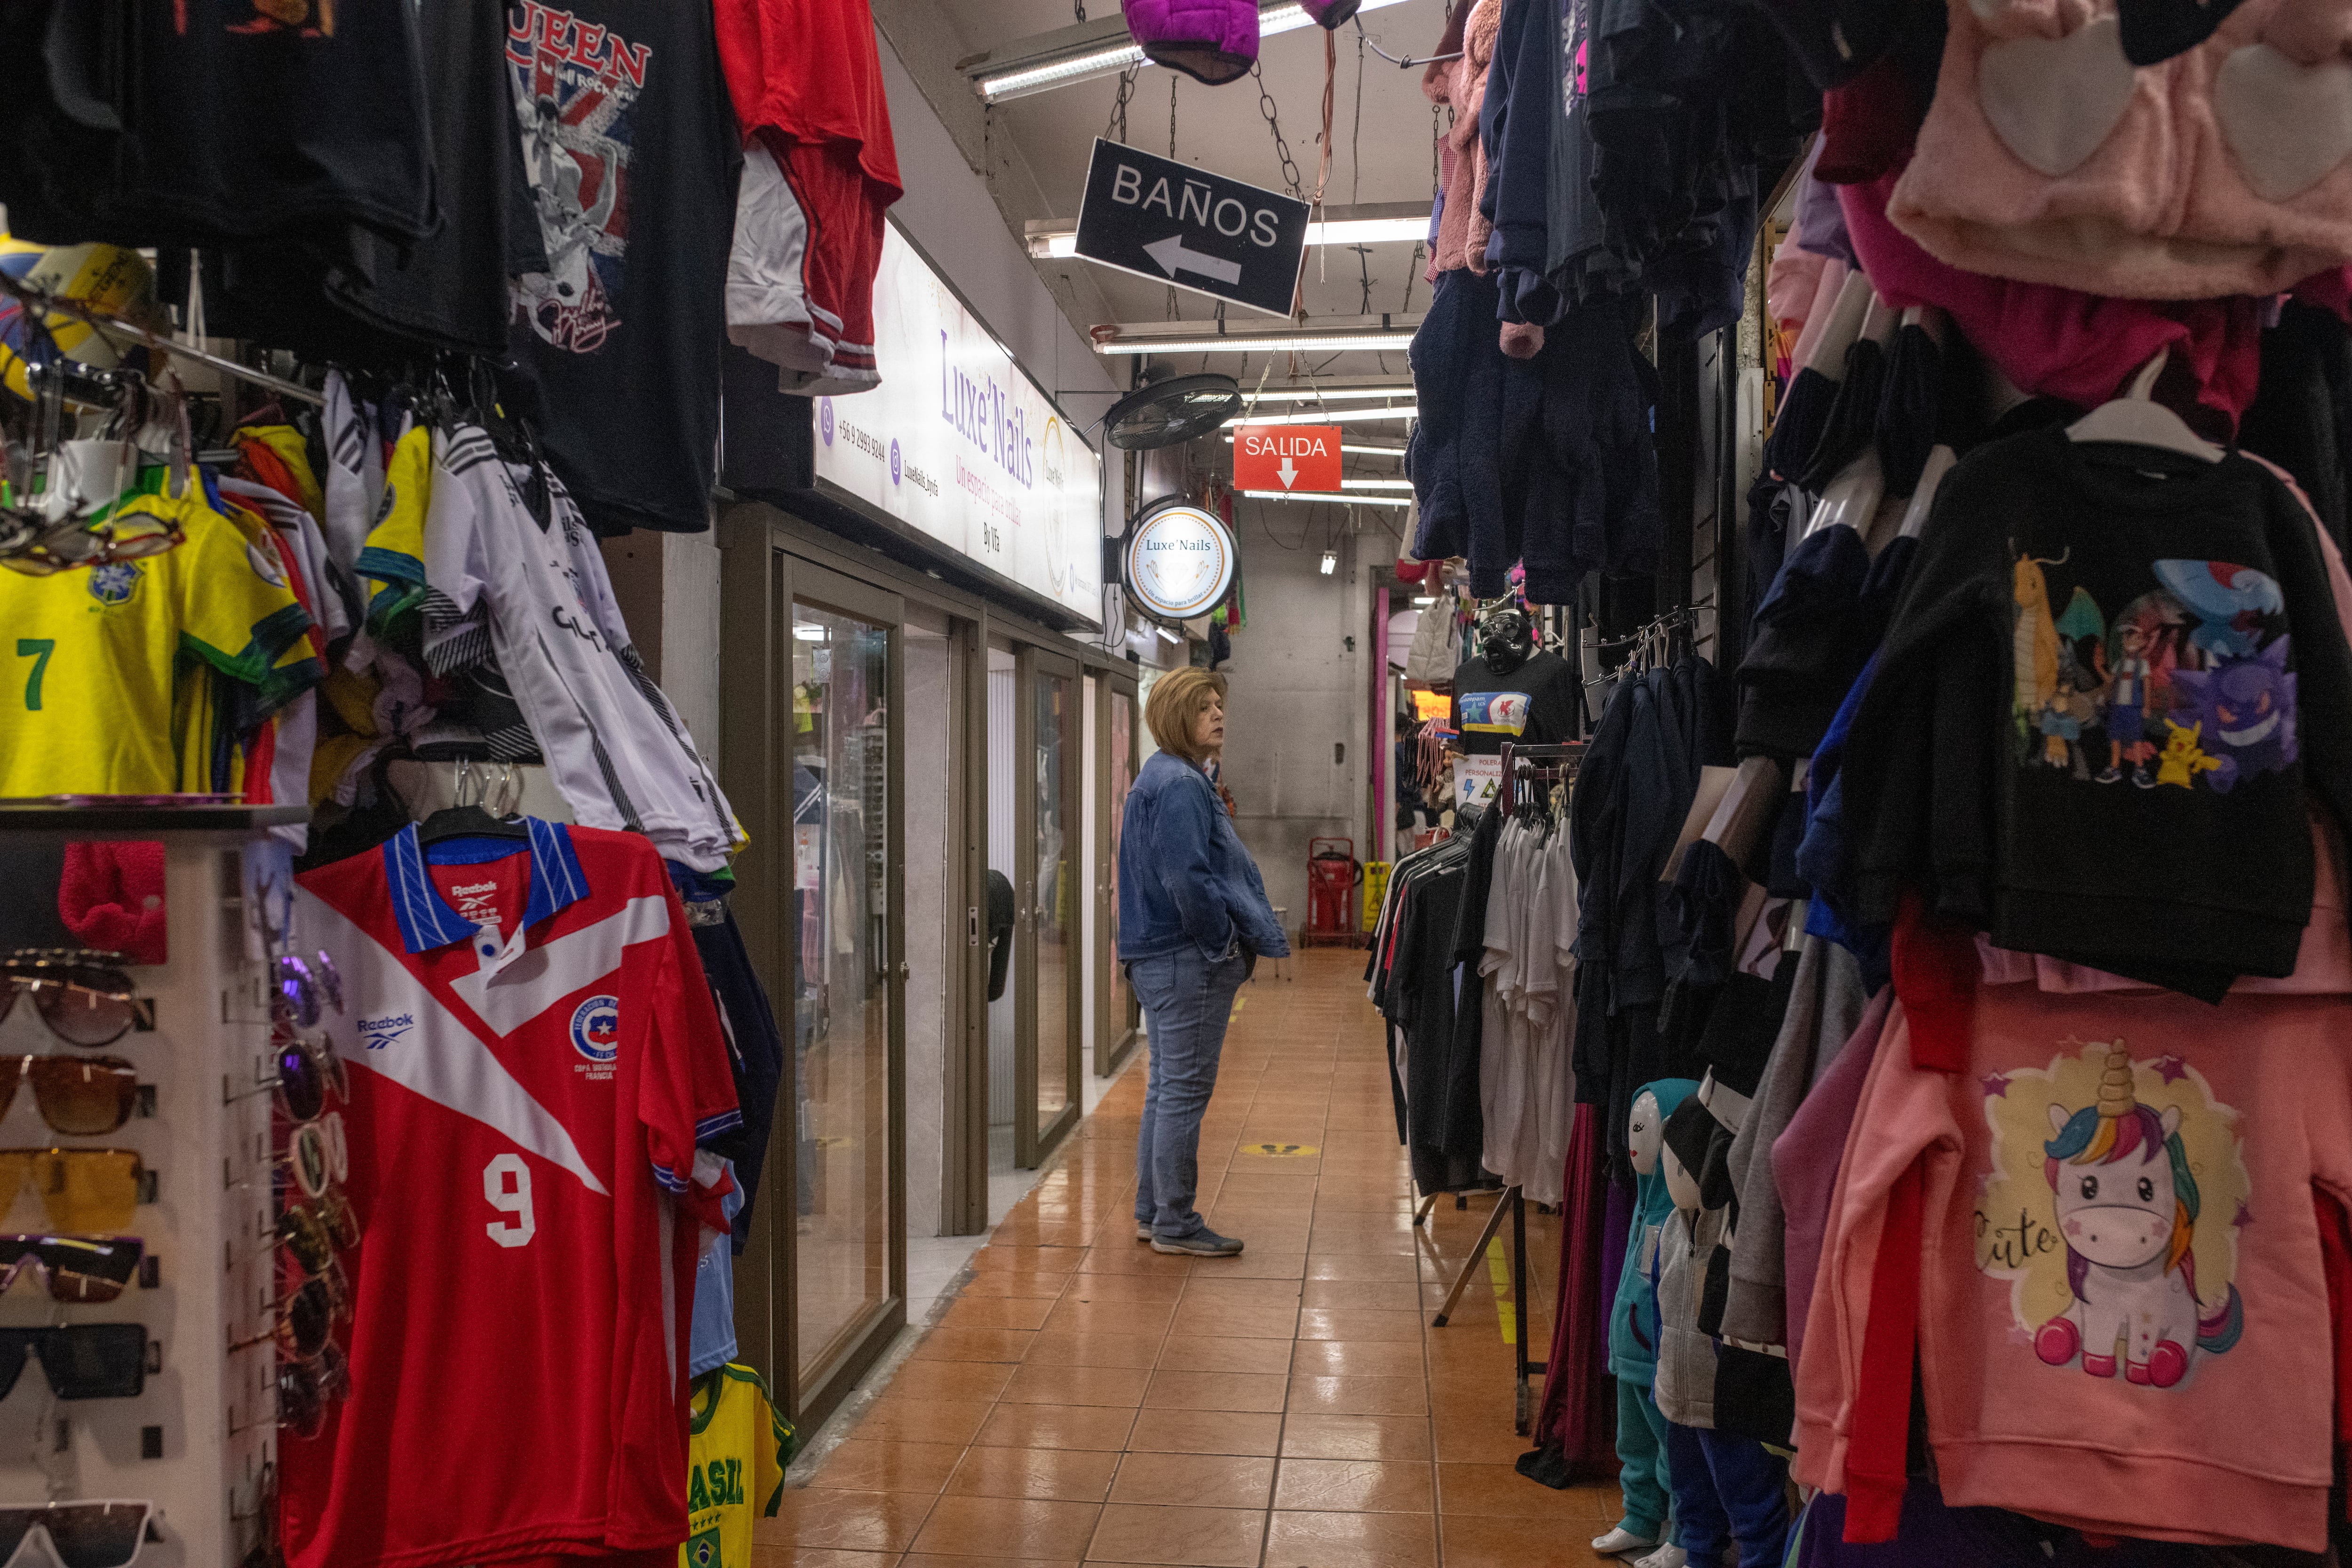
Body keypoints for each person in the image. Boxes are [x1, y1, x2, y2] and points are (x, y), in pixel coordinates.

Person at [1119, 669, 1289, 1256]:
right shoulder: (1182, 786)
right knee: (1183, 1092)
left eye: (1219, 705)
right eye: (1203, 708)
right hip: (1185, 959)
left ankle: (1152, 1212)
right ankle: (1173, 1221)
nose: (1218, 715)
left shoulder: (1162, 776)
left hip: (1159, 957)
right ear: (1175, 717)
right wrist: (1221, 943)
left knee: (1167, 1088)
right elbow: (1187, 878)